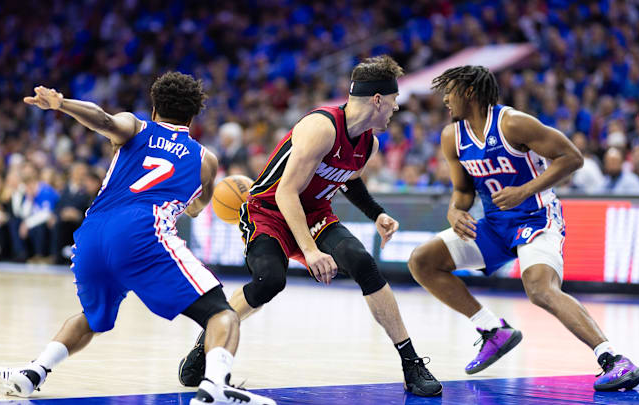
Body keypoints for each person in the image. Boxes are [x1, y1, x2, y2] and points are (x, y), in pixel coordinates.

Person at [0, 74, 275, 405]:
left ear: (154, 108)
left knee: (92, 318)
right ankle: (215, 387)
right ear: (193, 117)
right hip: (142, 231)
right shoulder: (205, 160)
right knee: (221, 312)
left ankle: (33, 373)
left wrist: (63, 104)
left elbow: (103, 119)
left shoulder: (136, 127)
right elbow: (197, 209)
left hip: (93, 235)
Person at [178, 55, 443, 397]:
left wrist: (376, 213)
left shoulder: (369, 143)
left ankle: (411, 363)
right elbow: (287, 191)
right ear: (377, 99)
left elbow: (349, 180)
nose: (395, 109)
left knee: (363, 263)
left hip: (314, 211)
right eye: (392, 102)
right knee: (270, 281)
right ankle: (207, 344)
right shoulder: (321, 127)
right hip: (269, 209)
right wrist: (310, 250)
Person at [407, 65, 639, 391]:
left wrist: (525, 190)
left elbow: (572, 157)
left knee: (539, 289)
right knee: (422, 261)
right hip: (494, 225)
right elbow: (463, 191)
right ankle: (492, 330)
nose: (445, 99)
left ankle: (613, 359)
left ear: (469, 92)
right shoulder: (452, 136)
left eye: (449, 91)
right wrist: (453, 212)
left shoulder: (513, 123)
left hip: (537, 218)